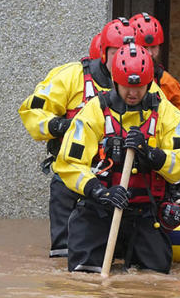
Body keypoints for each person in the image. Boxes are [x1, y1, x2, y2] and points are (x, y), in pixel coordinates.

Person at [55, 43, 180, 274]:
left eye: (140, 87)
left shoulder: (167, 114)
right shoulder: (94, 111)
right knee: (84, 279)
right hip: (99, 210)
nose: (133, 93)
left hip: (145, 213)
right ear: (115, 81)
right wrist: (99, 192)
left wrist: (152, 155)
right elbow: (69, 163)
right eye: (127, 87)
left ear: (150, 83)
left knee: (155, 279)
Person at [20, 18, 133, 257]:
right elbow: (32, 111)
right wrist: (63, 126)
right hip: (73, 175)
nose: (123, 59)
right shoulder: (71, 76)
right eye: (116, 52)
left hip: (117, 179)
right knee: (64, 256)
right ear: (104, 52)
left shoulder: (141, 87)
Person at [129, 12, 180, 129]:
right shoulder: (114, 78)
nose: (149, 53)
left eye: (154, 47)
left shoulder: (167, 82)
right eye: (144, 47)